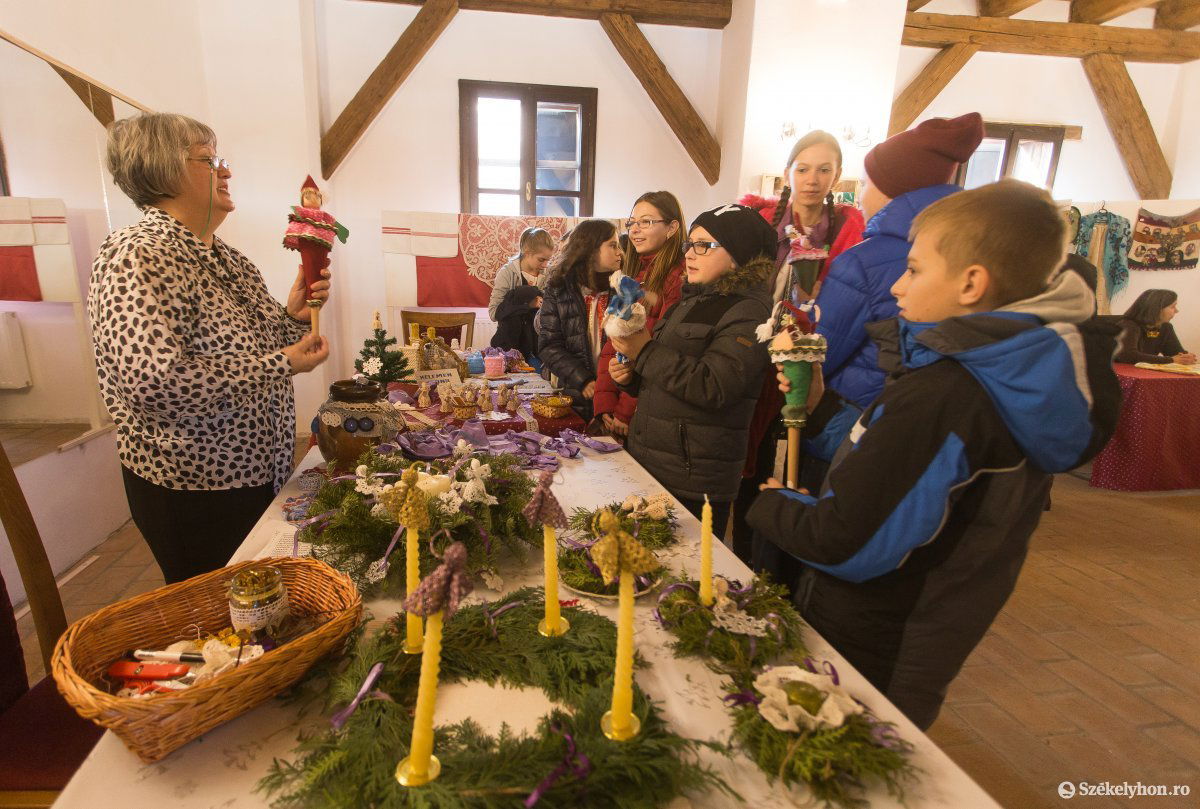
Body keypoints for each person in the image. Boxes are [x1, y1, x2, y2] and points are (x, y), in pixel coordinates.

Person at [748, 180, 1121, 730]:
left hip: (879, 633)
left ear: (972, 284)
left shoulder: (952, 393)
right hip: (922, 626)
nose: (898, 286)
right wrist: (824, 411)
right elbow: (903, 462)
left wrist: (774, 503)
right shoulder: (994, 374)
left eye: (915, 269)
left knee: (845, 756)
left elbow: (846, 541)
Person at [88, 112, 331, 584]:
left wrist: (292, 317)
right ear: (164, 171)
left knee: (257, 599)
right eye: (209, 159)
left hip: (254, 473)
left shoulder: (226, 258)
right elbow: (154, 383)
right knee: (219, 612)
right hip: (196, 484)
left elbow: (259, 348)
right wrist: (282, 362)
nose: (226, 171)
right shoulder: (138, 253)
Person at [733, 131, 867, 563]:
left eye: (824, 169)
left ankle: (771, 561)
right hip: (753, 343)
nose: (813, 179)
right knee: (748, 459)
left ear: (838, 176)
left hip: (809, 352)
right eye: (804, 168)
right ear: (788, 172)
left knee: (790, 461)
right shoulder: (759, 218)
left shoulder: (848, 227)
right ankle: (743, 554)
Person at [609, 204, 776, 537]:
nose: (690, 253)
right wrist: (632, 377)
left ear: (738, 255)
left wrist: (644, 351)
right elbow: (667, 371)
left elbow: (715, 386)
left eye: (705, 245)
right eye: (690, 243)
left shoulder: (749, 312)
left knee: (685, 577)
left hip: (695, 474)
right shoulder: (690, 301)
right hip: (653, 459)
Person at [816, 112, 985, 410]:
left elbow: (818, 356)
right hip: (931, 410)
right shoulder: (973, 245)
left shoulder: (862, 263)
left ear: (889, 191)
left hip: (851, 414)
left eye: (867, 184)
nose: (862, 196)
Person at [593, 191, 687, 439]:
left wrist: (624, 410)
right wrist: (604, 404)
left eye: (646, 222)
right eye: (632, 222)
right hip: (622, 395)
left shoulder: (677, 280)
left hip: (643, 408)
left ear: (672, 227)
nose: (634, 230)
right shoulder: (634, 276)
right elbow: (614, 344)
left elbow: (658, 351)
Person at [537, 219, 622, 421]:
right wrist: (582, 379)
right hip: (577, 393)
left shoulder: (622, 288)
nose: (620, 252)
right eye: (613, 245)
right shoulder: (559, 289)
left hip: (616, 395)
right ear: (590, 249)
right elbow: (549, 346)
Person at [488, 227, 554, 322]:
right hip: (513, 335)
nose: (545, 265)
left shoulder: (549, 273)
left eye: (548, 260)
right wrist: (526, 305)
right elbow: (493, 313)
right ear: (526, 252)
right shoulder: (507, 273)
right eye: (541, 260)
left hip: (540, 335)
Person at [1115, 289, 1195, 364]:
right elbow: (1128, 355)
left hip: (1144, 372)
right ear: (1156, 309)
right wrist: (1171, 360)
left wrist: (1186, 357)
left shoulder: (1165, 327)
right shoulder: (1129, 325)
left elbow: (1175, 353)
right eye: (1172, 307)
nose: (1176, 311)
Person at [490, 283, 542, 362]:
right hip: (506, 358)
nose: (539, 302)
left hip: (528, 357)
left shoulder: (530, 313)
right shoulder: (510, 316)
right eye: (536, 299)